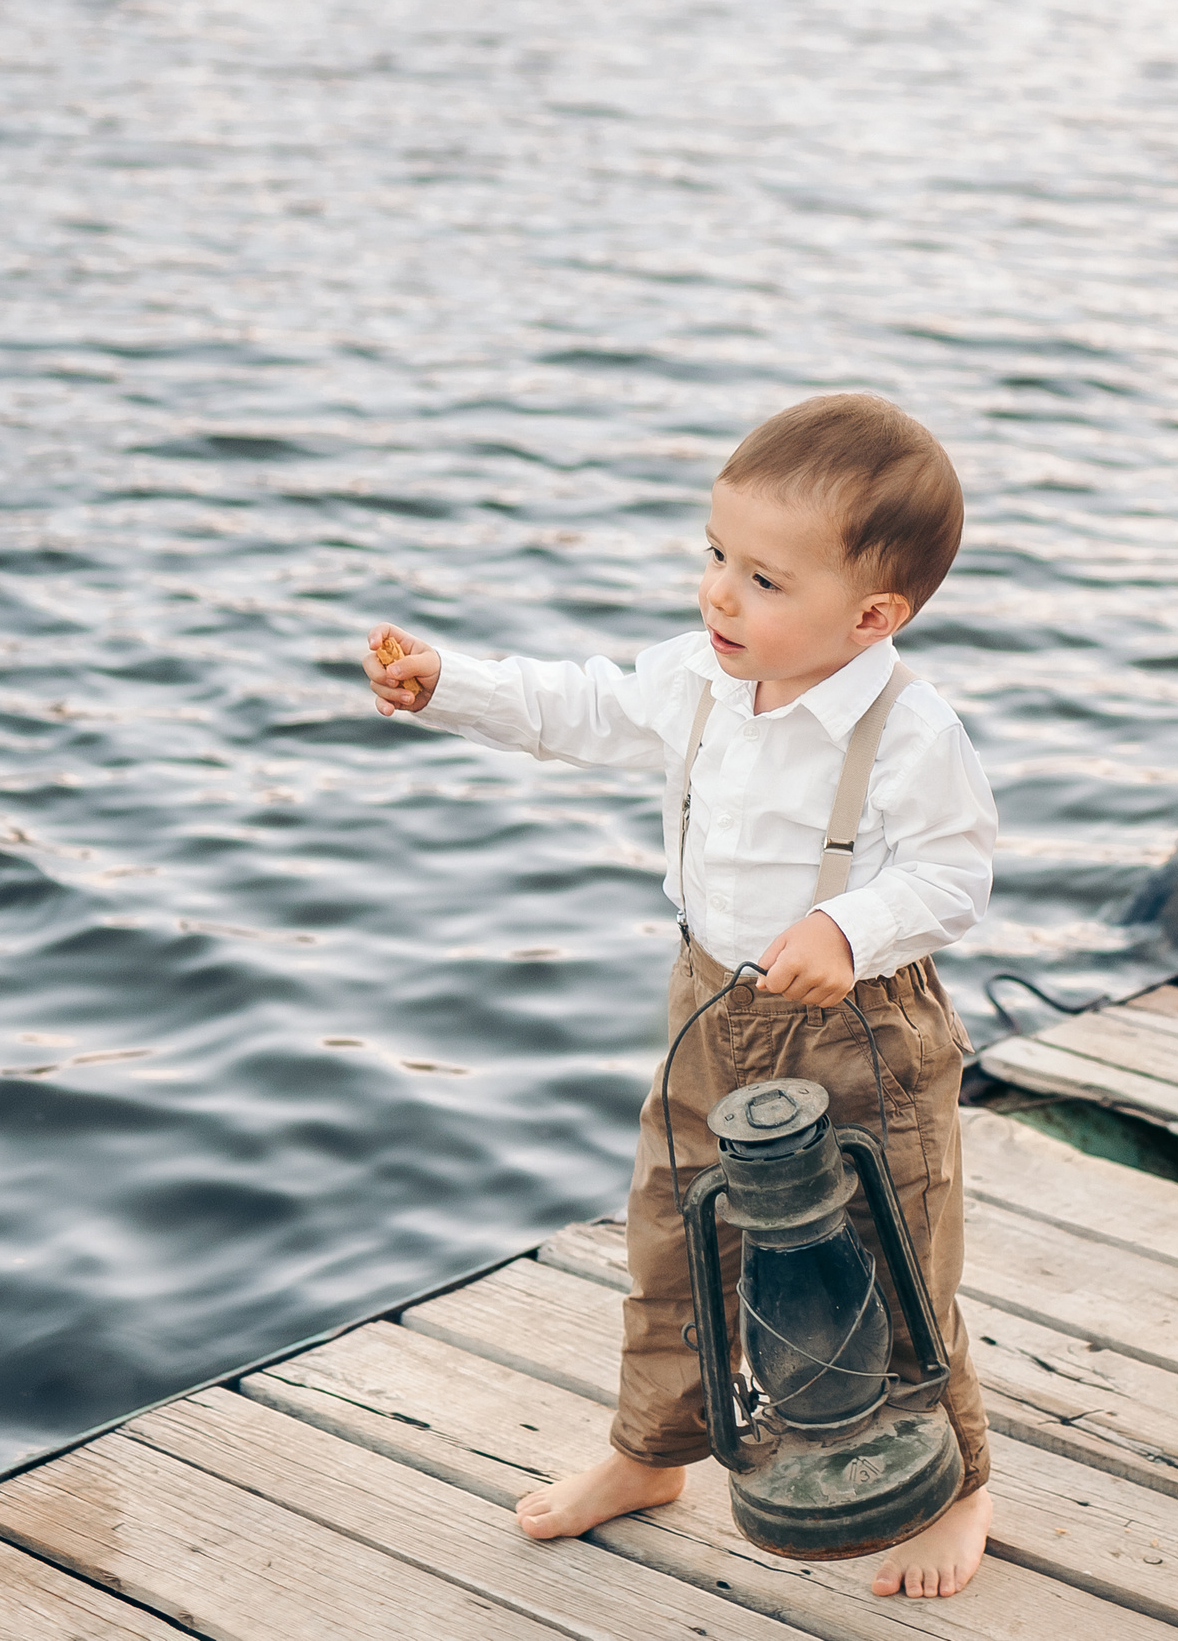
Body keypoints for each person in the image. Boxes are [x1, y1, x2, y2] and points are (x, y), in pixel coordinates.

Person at [360, 393, 997, 1600]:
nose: (716, 594)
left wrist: (847, 924)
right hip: (710, 1003)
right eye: (715, 557)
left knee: (893, 1242)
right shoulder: (700, 679)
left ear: (873, 617)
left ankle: (955, 1481)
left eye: (762, 579)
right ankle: (650, 1452)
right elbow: (579, 707)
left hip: (859, 1029)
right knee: (674, 1227)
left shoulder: (910, 732)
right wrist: (450, 686)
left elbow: (953, 873)